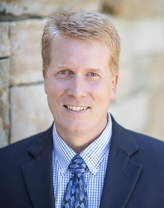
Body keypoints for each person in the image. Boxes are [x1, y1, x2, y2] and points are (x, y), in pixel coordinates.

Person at [0, 10, 164, 208]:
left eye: (92, 74)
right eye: (64, 72)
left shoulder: (160, 166)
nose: (77, 92)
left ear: (113, 85)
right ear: (45, 79)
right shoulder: (4, 168)